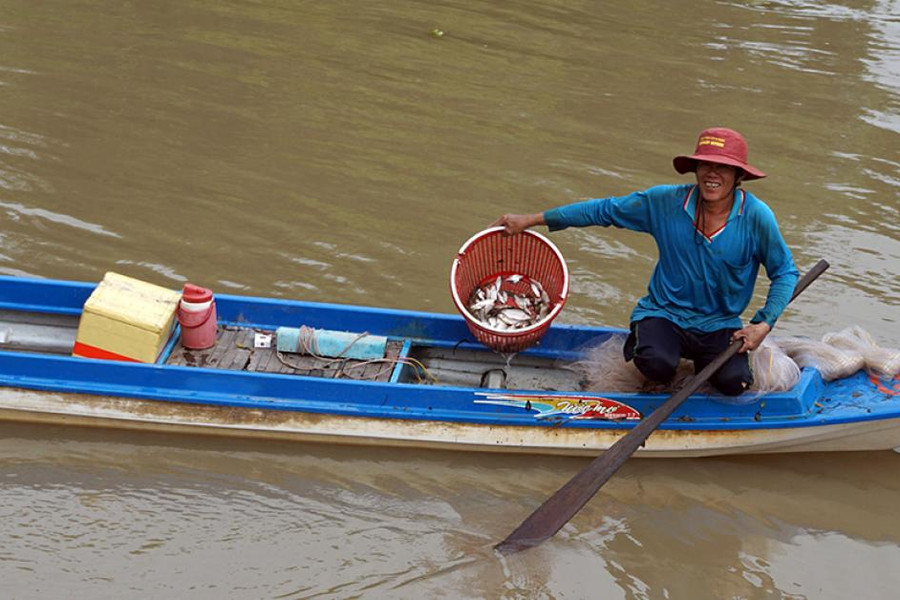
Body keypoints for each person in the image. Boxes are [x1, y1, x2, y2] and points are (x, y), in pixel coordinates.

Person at [491, 127, 799, 396]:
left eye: (723, 167)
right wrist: (532, 220)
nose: (712, 174)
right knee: (656, 363)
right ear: (695, 169)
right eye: (705, 164)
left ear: (739, 176)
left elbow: (785, 272)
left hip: (718, 324)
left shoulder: (756, 217)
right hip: (664, 314)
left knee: (734, 384)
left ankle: (694, 367)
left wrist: (763, 323)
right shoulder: (664, 202)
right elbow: (602, 210)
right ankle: (660, 371)